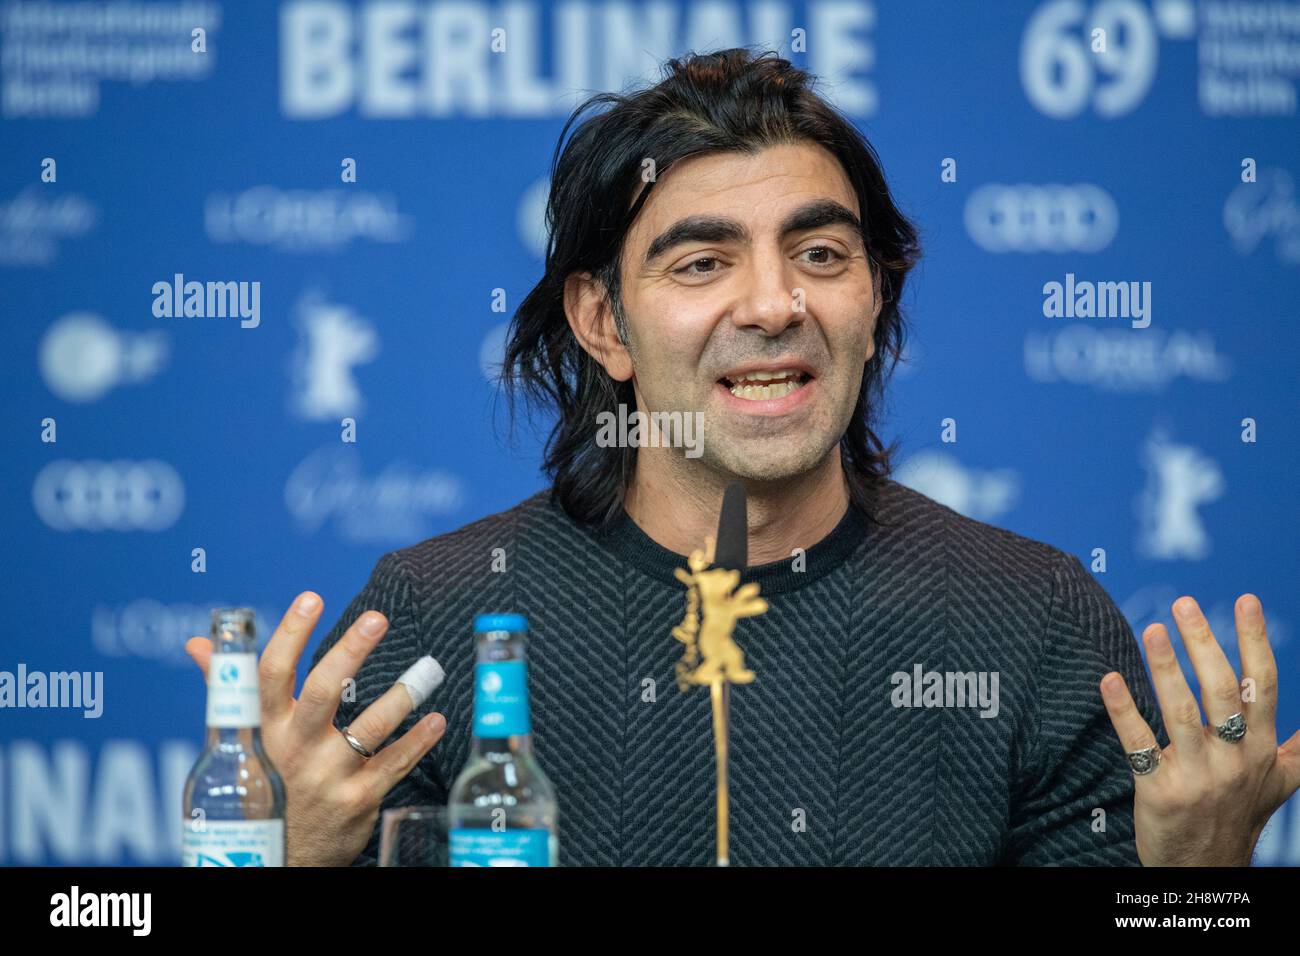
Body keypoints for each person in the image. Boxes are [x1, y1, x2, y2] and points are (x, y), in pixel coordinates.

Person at [186, 48, 1299, 866]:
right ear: (602, 323)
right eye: (701, 262)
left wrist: (1197, 886)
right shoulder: (433, 621)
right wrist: (291, 863)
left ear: (875, 300)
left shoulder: (1036, 617)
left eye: (819, 252)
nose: (773, 304)